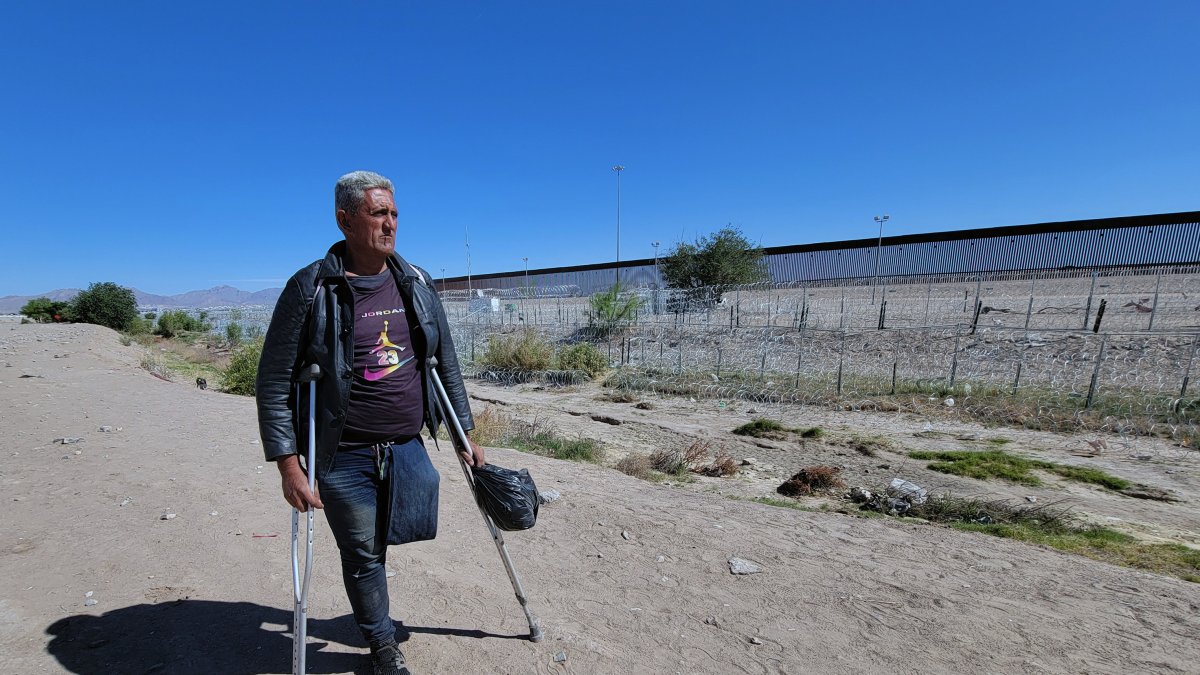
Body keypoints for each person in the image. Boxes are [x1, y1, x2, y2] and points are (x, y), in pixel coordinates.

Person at [255, 170, 484, 675]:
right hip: (342, 452)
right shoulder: (311, 287)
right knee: (361, 551)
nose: (390, 224)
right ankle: (382, 646)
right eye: (378, 213)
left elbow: (445, 364)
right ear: (345, 220)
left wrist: (464, 432)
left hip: (406, 447)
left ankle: (372, 611)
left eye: (394, 214)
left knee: (395, 535)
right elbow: (272, 381)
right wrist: (289, 465)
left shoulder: (416, 281)